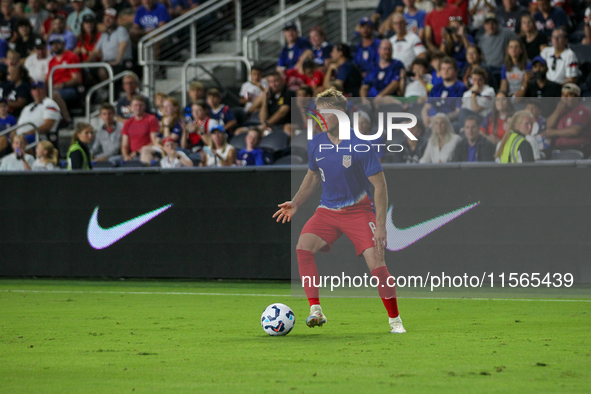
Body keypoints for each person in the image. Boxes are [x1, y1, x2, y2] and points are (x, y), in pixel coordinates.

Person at [272, 88, 406, 334]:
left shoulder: (361, 145)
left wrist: (381, 225)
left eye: (326, 113)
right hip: (327, 211)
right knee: (303, 247)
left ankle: (395, 319)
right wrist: (296, 202)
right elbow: (312, 177)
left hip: (360, 212)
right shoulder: (316, 144)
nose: (320, 118)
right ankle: (316, 310)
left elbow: (380, 186)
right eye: (318, 113)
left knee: (377, 262)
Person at [543, 83, 591, 154]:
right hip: (559, 149)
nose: (565, 98)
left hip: (578, 148)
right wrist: (557, 111)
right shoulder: (561, 110)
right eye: (563, 94)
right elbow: (548, 126)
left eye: (569, 95)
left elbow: (575, 131)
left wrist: (553, 132)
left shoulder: (583, 110)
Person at [88, 8, 133, 80]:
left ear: (116, 20)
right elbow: (95, 51)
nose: (107, 20)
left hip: (121, 63)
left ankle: (107, 90)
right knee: (88, 71)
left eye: (110, 18)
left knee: (102, 71)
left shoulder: (121, 30)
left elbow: (123, 45)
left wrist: (118, 60)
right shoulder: (104, 34)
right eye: (105, 17)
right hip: (107, 63)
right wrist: (87, 62)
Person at [421, 56, 467, 127]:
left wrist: (439, 119)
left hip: (450, 124)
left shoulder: (461, 88)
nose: (445, 71)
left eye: (449, 68)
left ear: (455, 71)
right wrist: (425, 118)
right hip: (432, 122)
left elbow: (458, 112)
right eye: (443, 69)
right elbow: (426, 107)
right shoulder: (436, 87)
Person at [47, 35, 82, 127]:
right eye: (53, 44)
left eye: (57, 43)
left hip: (69, 88)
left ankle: (68, 119)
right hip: (54, 88)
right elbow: (48, 79)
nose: (55, 46)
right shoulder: (51, 61)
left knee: (54, 94)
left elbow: (76, 78)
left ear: (63, 44)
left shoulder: (71, 56)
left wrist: (62, 85)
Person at [140, 95, 184, 164]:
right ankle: (145, 171)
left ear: (175, 108)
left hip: (175, 148)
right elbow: (157, 140)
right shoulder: (163, 120)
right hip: (164, 148)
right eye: (164, 107)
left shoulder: (179, 121)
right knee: (145, 149)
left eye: (168, 106)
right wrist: (160, 146)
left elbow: (168, 140)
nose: (165, 109)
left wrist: (166, 126)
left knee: (147, 150)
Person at [16, 81, 61, 148]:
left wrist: (29, 132)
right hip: (21, 136)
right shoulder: (27, 107)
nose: (37, 91)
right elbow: (18, 125)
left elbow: (48, 125)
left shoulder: (50, 104)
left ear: (44, 90)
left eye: (39, 89)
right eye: (34, 89)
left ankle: (21, 155)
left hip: (39, 137)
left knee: (19, 142)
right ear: (31, 92)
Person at [121, 95, 159, 162]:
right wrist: (126, 156)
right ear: (131, 107)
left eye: (140, 105)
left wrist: (136, 153)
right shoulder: (128, 122)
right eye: (136, 105)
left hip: (146, 152)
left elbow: (154, 141)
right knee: (113, 160)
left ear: (144, 106)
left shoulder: (151, 119)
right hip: (131, 154)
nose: (138, 108)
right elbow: (124, 144)